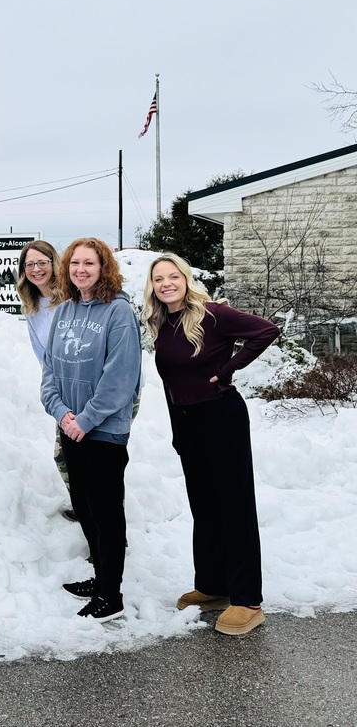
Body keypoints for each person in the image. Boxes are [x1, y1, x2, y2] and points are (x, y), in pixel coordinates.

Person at [143, 253, 279, 635]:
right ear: (152, 287)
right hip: (188, 424)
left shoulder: (212, 314)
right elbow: (172, 383)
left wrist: (228, 369)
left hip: (222, 419)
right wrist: (178, 431)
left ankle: (247, 600)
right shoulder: (163, 322)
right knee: (204, 507)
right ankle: (214, 586)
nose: (167, 283)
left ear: (186, 279)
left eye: (173, 276)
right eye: (159, 279)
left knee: (235, 507)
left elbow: (266, 331)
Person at [41, 237, 141, 622]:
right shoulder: (64, 311)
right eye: (75, 263)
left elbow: (121, 378)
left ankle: (110, 595)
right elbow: (49, 371)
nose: (80, 270)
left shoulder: (118, 312)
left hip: (103, 431)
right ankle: (100, 577)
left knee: (106, 512)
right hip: (71, 427)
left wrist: (85, 419)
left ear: (104, 268)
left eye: (89, 263)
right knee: (84, 506)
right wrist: (62, 413)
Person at [16, 240, 76, 522]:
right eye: (30, 264)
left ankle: (106, 518)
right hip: (63, 390)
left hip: (89, 387)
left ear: (54, 263)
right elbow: (43, 356)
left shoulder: (71, 297)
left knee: (96, 457)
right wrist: (56, 398)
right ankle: (85, 506)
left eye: (42, 262)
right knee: (64, 456)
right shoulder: (32, 306)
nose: (36, 269)